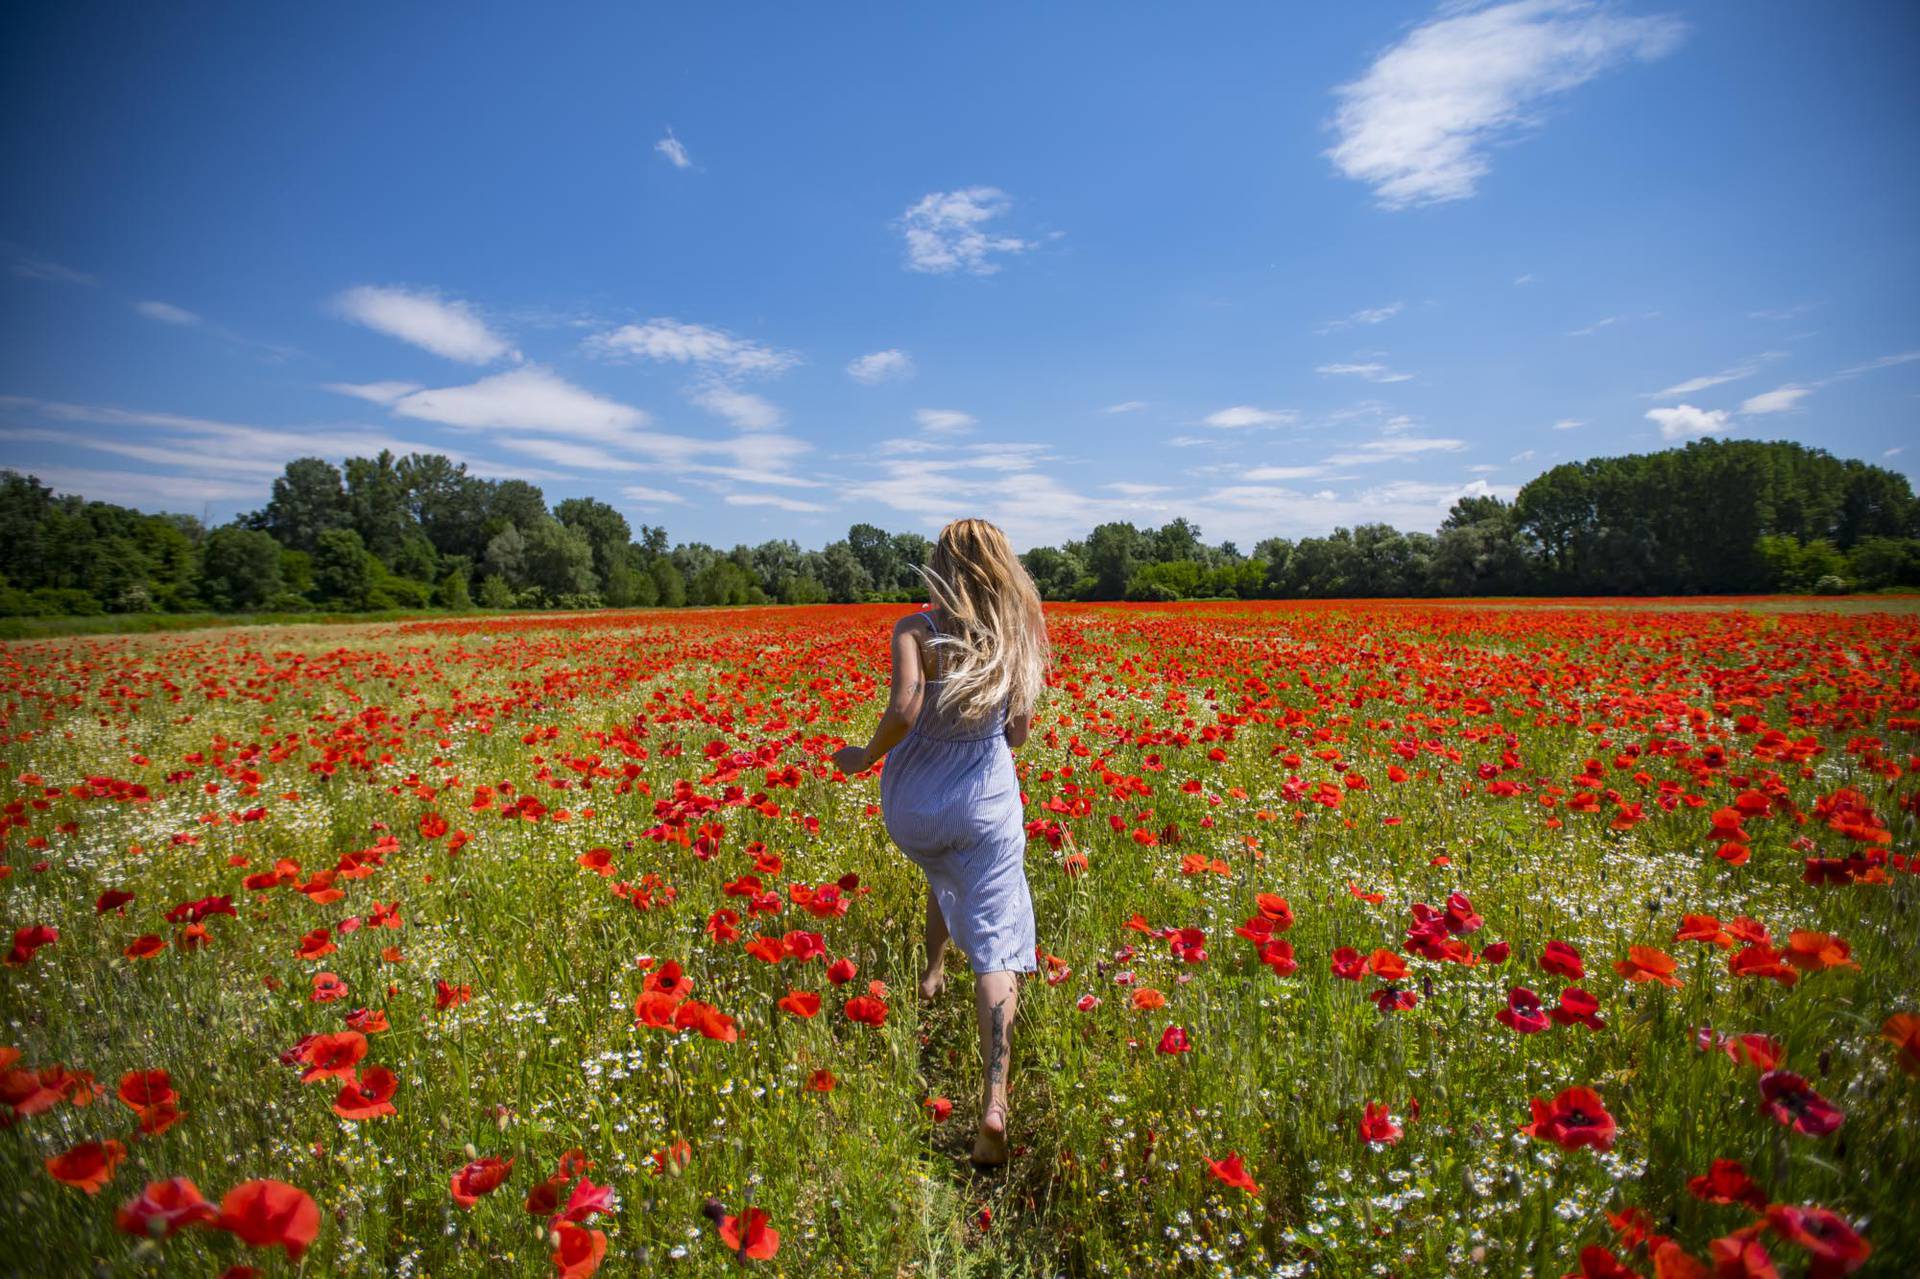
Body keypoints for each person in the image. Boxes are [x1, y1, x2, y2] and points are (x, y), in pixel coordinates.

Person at [831, 518, 1049, 1166]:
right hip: (984, 801)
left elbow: (903, 709)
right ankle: (995, 1104)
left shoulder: (917, 630)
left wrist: (862, 755)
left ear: (941, 565)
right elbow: (1019, 733)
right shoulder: (1016, 634)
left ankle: (929, 975)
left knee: (941, 868)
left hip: (917, 805)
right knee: (997, 942)